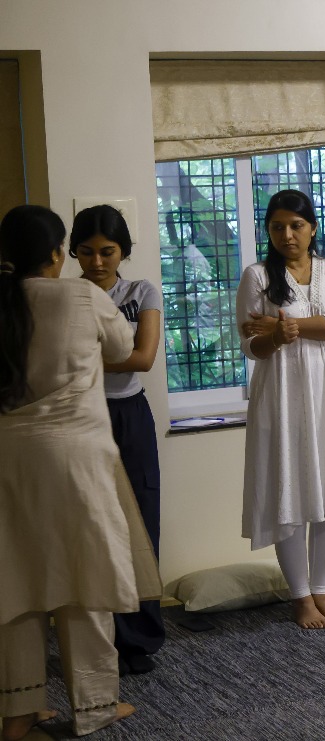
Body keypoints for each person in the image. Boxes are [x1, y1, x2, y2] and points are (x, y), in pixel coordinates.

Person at [0, 204, 161, 739]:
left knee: (16, 581)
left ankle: (18, 712)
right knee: (86, 573)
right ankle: (95, 705)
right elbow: (125, 350)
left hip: (9, 457)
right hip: (75, 456)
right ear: (57, 254)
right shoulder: (81, 296)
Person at [236, 189, 325, 629]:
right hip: (282, 396)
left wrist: (288, 325)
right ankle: (300, 597)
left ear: (313, 227)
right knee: (290, 492)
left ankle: (322, 590)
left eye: (296, 225)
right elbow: (250, 346)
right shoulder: (257, 276)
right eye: (277, 226)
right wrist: (275, 337)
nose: (287, 234)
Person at [70, 205, 165, 675]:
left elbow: (143, 358)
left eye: (107, 252)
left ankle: (139, 638)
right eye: (86, 252)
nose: (97, 261)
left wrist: (81, 359)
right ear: (72, 252)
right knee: (91, 524)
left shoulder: (140, 291)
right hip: (81, 415)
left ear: (123, 251)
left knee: (140, 521)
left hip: (130, 415)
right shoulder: (67, 295)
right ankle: (100, 638)